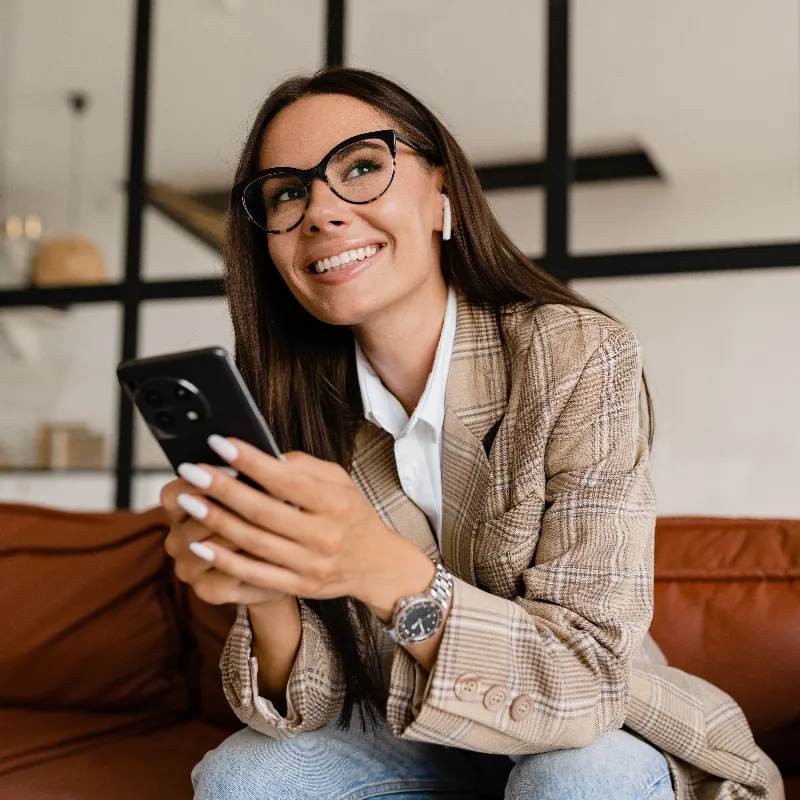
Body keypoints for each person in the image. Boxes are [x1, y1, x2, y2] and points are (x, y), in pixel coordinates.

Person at [160, 68, 769, 800]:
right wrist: (264, 596)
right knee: (242, 778)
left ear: (442, 193)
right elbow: (310, 708)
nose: (320, 210)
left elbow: (586, 678)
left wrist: (380, 570)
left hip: (582, 722)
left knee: (579, 778)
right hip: (412, 731)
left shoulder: (577, 354)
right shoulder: (291, 407)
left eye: (360, 167)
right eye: (288, 192)